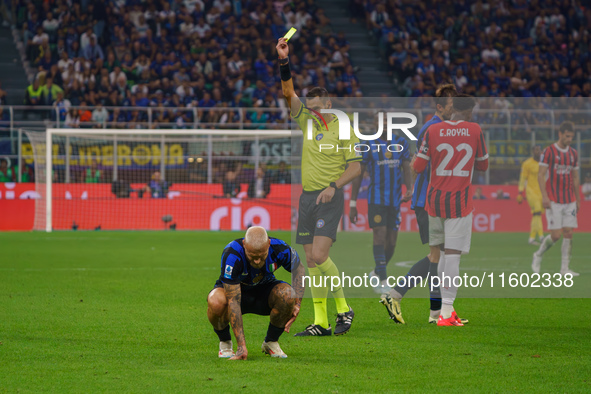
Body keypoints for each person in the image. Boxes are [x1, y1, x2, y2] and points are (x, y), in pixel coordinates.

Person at [277, 37, 361, 336]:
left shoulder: (344, 126)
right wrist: (284, 61)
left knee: (321, 256)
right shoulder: (306, 121)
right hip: (307, 198)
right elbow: (288, 92)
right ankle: (321, 322)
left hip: (329, 196)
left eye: (316, 108)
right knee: (311, 260)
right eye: (308, 108)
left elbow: (356, 166)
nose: (312, 113)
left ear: (328, 105)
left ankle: (343, 309)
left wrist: (334, 186)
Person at [380, 84, 458, 325]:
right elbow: (419, 164)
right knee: (438, 254)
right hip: (428, 201)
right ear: (440, 107)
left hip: (434, 200)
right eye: (451, 107)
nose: (454, 111)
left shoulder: (442, 128)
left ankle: (432, 310)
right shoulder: (432, 128)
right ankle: (409, 302)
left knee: (440, 254)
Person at [413, 94, 489, 326]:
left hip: (434, 201)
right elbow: (484, 166)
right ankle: (445, 313)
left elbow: (418, 166)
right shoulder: (474, 129)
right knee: (453, 257)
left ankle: (444, 311)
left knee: (443, 256)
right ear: (467, 112)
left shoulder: (432, 131)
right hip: (459, 203)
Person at [206, 226, 305, 359]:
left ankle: (271, 341)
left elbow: (300, 270)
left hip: (264, 292)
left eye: (261, 256)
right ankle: (225, 342)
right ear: (244, 245)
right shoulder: (232, 254)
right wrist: (241, 346)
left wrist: (297, 304)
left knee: (287, 294)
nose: (257, 261)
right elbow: (233, 301)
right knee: (215, 301)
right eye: (252, 256)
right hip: (235, 294)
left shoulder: (280, 249)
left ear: (268, 244)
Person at [349, 116, 412, 294]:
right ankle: (383, 281)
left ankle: (376, 272)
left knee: (391, 243)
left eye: (387, 121)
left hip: (395, 200)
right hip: (376, 199)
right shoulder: (368, 144)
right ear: (374, 124)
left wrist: (410, 188)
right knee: (379, 236)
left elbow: (407, 167)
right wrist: (353, 203)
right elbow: (359, 174)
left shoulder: (401, 142)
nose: (384, 124)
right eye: (380, 121)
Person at [532, 121, 580, 277]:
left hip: (569, 199)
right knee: (555, 236)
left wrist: (578, 199)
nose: (569, 139)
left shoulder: (573, 153)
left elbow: (575, 177)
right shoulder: (549, 151)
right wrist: (544, 196)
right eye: (567, 136)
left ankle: (565, 269)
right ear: (560, 134)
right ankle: (538, 254)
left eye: (571, 137)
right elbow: (540, 175)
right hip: (553, 199)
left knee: (569, 233)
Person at [518, 145, 544, 245]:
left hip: (541, 192)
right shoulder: (527, 164)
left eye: (539, 150)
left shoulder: (543, 163)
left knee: (537, 215)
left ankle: (532, 238)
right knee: (537, 212)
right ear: (533, 151)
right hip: (531, 191)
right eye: (536, 150)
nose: (538, 152)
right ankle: (541, 237)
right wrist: (520, 191)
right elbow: (522, 178)